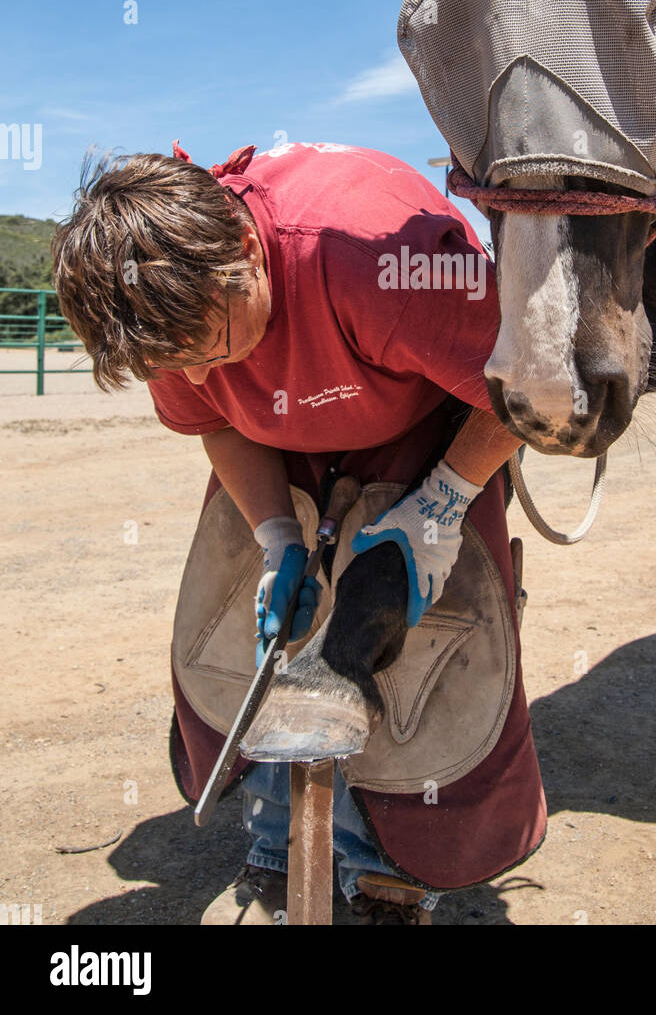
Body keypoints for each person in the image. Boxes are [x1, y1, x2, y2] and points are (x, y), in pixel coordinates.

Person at [52, 139, 547, 925]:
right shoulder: (182, 327)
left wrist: (443, 503)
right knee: (257, 634)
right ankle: (279, 832)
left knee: (399, 642)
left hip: (423, 413)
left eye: (210, 347)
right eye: (178, 364)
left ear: (246, 251)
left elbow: (527, 383)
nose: (200, 375)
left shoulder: (376, 257)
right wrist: (279, 535)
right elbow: (216, 416)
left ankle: (386, 856)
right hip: (279, 435)